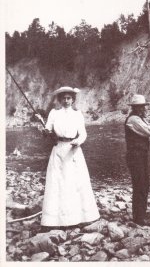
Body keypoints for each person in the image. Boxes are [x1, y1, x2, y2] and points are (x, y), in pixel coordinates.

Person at [39, 86, 100, 228]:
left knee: (76, 183)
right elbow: (48, 128)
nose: (66, 101)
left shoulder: (77, 114)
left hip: (73, 150)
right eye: (64, 98)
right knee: (58, 183)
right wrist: (45, 131)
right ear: (59, 100)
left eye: (69, 98)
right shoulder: (54, 113)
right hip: (59, 149)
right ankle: (55, 220)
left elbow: (83, 133)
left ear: (73, 100)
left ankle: (82, 217)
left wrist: (77, 142)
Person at [125, 94, 150, 226]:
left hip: (140, 156)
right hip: (135, 157)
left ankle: (141, 213)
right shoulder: (133, 119)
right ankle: (139, 218)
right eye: (141, 107)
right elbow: (148, 131)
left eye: (144, 106)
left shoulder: (139, 118)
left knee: (144, 184)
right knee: (140, 185)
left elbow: (147, 126)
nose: (144, 109)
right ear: (135, 108)